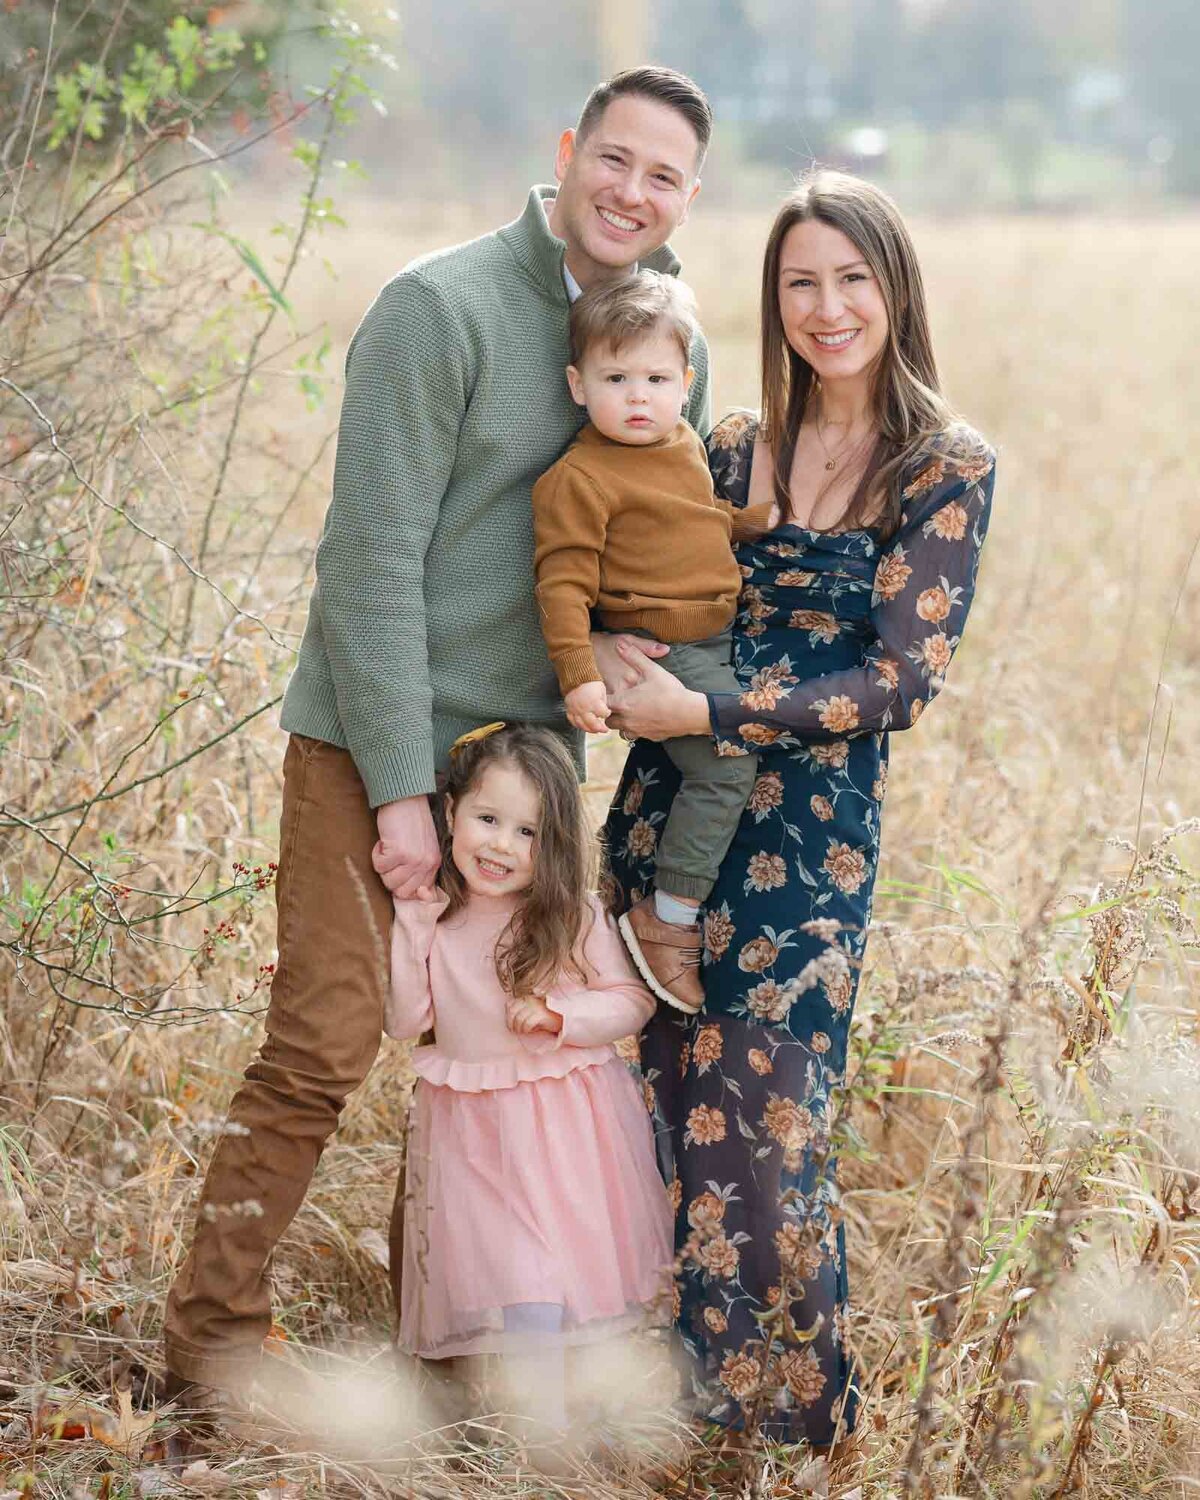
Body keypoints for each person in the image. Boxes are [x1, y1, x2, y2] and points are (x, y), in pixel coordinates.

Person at [162, 66, 713, 1401]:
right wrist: (401, 793)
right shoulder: (439, 306)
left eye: (667, 176)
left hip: (525, 771)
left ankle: (454, 1351)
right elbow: (371, 566)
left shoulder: (658, 326)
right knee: (326, 1039)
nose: (634, 192)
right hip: (378, 744)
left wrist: (645, 638)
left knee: (491, 1054)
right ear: (569, 148)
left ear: (689, 197)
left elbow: (648, 522)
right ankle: (208, 1354)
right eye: (617, 159)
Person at [600, 169, 997, 1456]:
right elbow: (636, 585)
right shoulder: (723, 445)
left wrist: (708, 717)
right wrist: (610, 653)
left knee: (769, 1152)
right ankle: (664, 1439)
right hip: (667, 827)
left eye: (850, 280)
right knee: (647, 1131)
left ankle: (791, 1441)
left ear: (894, 290)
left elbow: (898, 682)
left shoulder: (946, 466)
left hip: (805, 857)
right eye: (799, 284)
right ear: (773, 302)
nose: (826, 309)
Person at [386, 722, 670, 1437]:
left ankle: (575, 1431)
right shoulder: (439, 919)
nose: (501, 845)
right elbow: (402, 1019)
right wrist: (411, 925)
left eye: (528, 833)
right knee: (514, 1281)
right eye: (487, 820)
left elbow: (630, 1002)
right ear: (450, 814)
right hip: (474, 1131)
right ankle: (538, 1438)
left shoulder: (570, 916)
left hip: (566, 1127)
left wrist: (558, 1015)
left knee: (566, 1278)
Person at [532, 271, 772, 1015]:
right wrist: (580, 676)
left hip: (716, 633)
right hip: (663, 653)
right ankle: (667, 920)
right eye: (616, 377)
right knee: (729, 767)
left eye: (656, 378)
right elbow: (563, 584)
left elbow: (687, 523)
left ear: (685, 382)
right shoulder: (579, 478)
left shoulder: (682, 446)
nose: (638, 396)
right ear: (578, 384)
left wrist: (748, 524)